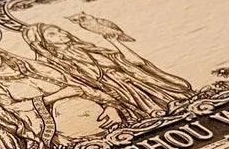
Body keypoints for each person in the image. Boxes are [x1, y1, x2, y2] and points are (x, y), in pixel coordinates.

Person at [0, 42, 121, 149]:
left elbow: (79, 86)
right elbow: (14, 108)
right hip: (53, 125)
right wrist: (57, 96)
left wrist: (111, 107)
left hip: (99, 114)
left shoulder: (35, 66)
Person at [24, 22, 191, 119]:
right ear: (44, 43)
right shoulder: (57, 65)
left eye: (59, 30)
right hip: (116, 91)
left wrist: (115, 42)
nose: (62, 33)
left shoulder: (90, 49)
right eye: (52, 34)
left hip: (136, 80)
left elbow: (136, 62)